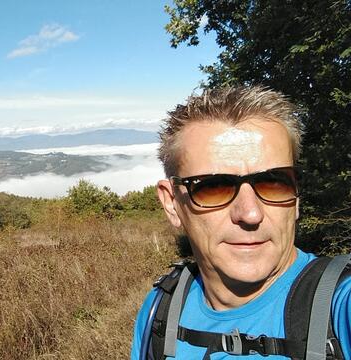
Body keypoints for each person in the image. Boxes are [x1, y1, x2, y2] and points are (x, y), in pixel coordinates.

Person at [130, 86, 351, 359]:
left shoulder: (339, 305)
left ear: (296, 197)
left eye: (274, 182)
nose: (250, 214)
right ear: (172, 203)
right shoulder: (160, 311)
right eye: (214, 187)